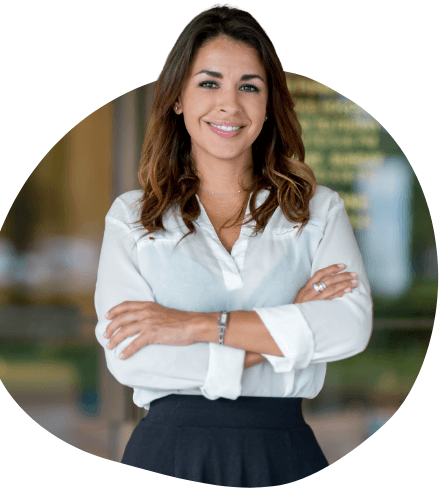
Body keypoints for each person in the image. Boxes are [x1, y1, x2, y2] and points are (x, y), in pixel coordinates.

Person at [94, 5, 373, 487]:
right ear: (178, 98)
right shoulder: (133, 217)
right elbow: (131, 356)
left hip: (282, 455)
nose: (230, 104)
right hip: (166, 457)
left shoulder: (316, 210)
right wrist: (282, 330)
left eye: (249, 86)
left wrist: (192, 326)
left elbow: (348, 327)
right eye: (209, 83)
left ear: (268, 104)